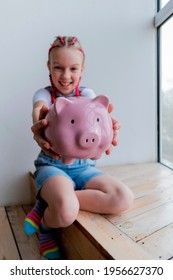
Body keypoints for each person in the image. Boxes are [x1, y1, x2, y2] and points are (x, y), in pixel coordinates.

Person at [24, 36, 134, 259]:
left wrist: (110, 127)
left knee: (123, 197)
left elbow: (100, 117)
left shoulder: (87, 94)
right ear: (49, 67)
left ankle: (47, 202)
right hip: (52, 165)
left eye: (73, 68)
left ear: (82, 69)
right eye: (58, 68)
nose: (66, 76)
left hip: (84, 167)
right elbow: (39, 110)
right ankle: (46, 227)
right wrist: (40, 120)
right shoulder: (44, 95)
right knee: (66, 212)